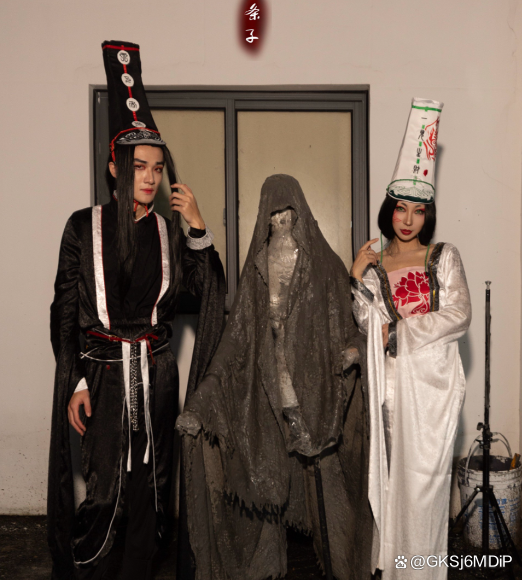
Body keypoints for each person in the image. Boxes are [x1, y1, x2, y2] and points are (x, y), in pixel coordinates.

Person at [47, 40, 225, 580]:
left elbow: (208, 296)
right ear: (114, 166)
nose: (150, 177)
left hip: (158, 376)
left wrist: (198, 227)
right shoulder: (83, 227)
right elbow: (65, 309)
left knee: (152, 492)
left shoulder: (171, 233)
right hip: (102, 376)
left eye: (158, 168)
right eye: (139, 166)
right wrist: (75, 380)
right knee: (104, 496)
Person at [177, 174, 373, 580]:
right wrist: (203, 398)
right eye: (274, 214)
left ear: (300, 214)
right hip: (268, 392)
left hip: (315, 396)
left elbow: (350, 325)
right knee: (264, 483)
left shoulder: (325, 266)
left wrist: (351, 351)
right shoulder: (257, 269)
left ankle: (341, 566)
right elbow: (236, 338)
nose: (281, 222)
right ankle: (264, 569)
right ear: (264, 218)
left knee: (328, 492)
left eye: (288, 213)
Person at [350, 99, 471, 580]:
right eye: (401, 208)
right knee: (396, 481)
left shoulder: (444, 257)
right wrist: (355, 276)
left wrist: (400, 330)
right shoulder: (376, 266)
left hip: (433, 391)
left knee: (428, 485)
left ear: (428, 216)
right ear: (390, 210)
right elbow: (367, 325)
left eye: (418, 211)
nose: (407, 219)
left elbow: (458, 315)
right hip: (392, 390)